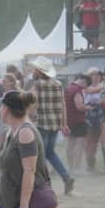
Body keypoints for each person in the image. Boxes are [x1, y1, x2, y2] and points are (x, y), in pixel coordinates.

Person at [27, 57, 74, 196]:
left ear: (39, 71)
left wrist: (29, 117)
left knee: (39, 155)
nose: (33, 70)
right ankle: (66, 177)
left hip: (41, 124)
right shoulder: (58, 84)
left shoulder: (36, 85)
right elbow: (63, 104)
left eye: (35, 68)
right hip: (55, 124)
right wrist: (64, 124)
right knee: (50, 153)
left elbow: (32, 104)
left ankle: (44, 185)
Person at [64, 73, 89, 174]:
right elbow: (79, 106)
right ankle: (77, 168)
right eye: (86, 85)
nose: (84, 88)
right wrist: (88, 107)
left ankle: (71, 167)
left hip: (69, 119)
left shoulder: (68, 88)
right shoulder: (77, 90)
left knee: (70, 144)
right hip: (78, 120)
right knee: (79, 144)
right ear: (83, 81)